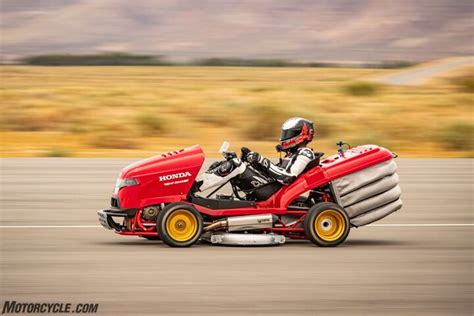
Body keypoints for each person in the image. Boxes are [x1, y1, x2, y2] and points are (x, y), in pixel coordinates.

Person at [197, 117, 316, 192]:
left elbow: (287, 178)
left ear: (301, 135)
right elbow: (274, 172)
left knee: (235, 164)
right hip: (271, 186)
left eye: (289, 134)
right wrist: (254, 161)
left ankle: (196, 187)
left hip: (275, 192)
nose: (285, 137)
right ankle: (197, 184)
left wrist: (261, 160)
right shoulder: (290, 154)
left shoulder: (305, 153)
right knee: (226, 163)